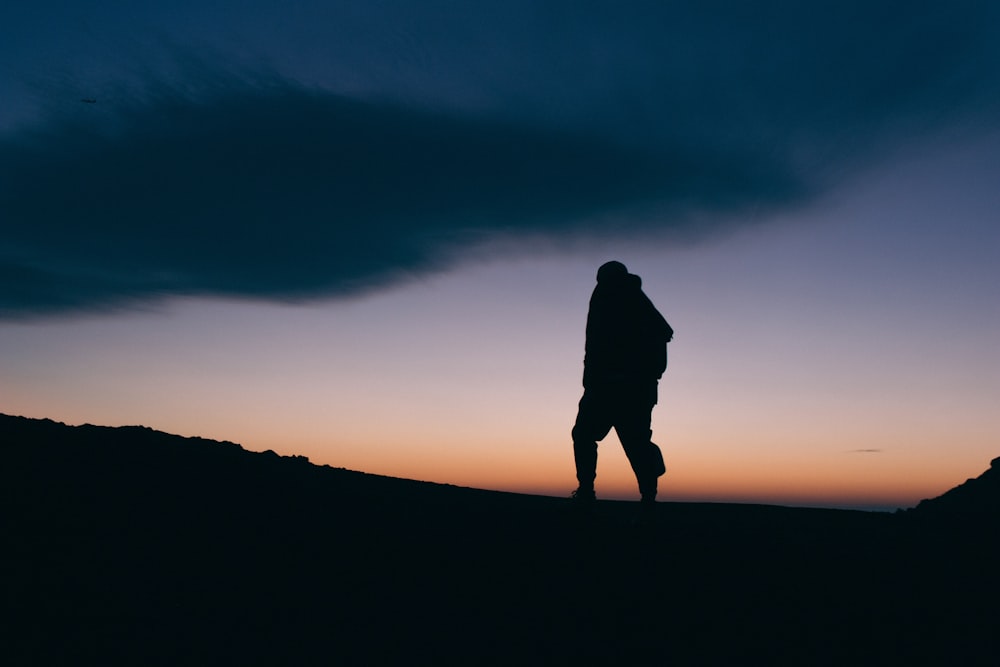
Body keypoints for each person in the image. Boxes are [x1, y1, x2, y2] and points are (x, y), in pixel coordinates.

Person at [571, 260, 673, 509]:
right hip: (601, 389)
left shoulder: (634, 303)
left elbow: (659, 341)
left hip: (631, 390)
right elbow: (595, 345)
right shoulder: (603, 300)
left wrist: (636, 377)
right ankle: (586, 490)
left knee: (636, 444)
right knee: (584, 435)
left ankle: (648, 496)